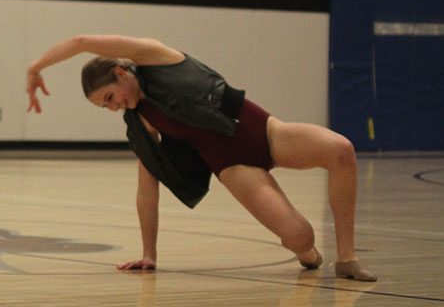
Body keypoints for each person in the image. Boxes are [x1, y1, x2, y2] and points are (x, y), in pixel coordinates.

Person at [26, 34, 377, 282]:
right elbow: (147, 186)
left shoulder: (156, 56)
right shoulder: (140, 120)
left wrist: (37, 67)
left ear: (120, 73)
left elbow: (81, 42)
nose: (113, 107)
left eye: (109, 97)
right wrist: (150, 253)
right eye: (106, 106)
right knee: (301, 237)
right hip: (233, 166)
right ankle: (309, 256)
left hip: (266, 132)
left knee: (341, 150)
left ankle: (346, 258)